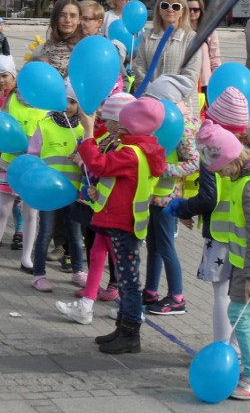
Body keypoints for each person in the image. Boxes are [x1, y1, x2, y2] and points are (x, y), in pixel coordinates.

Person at [76, 97, 166, 354]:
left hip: (123, 222)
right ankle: (122, 327)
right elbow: (116, 181)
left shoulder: (131, 153)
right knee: (128, 278)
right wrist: (99, 192)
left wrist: (89, 132)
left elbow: (98, 164)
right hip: (123, 220)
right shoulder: (140, 149)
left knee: (128, 281)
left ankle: (130, 334)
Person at [165, 86, 250, 347]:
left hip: (220, 232)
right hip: (239, 237)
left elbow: (208, 197)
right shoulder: (244, 148)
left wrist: (182, 208)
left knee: (222, 295)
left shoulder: (214, 147)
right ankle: (234, 349)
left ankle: (222, 348)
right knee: (237, 298)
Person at [55, 93, 136, 325]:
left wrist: (89, 132)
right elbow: (98, 168)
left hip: (118, 213)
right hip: (105, 207)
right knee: (99, 252)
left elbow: (100, 166)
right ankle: (87, 305)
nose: (103, 120)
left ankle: (131, 310)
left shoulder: (123, 146)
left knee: (124, 263)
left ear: (119, 122)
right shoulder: (112, 140)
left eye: (108, 119)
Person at [192, 120, 250, 400]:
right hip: (242, 262)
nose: (223, 177)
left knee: (240, 318)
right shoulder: (240, 178)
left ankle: (249, 377)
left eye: (224, 170)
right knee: (240, 315)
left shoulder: (248, 187)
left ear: (233, 159)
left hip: (247, 266)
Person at [0, 55, 44, 272]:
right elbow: (2, 124)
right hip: (11, 161)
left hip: (34, 164)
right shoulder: (12, 98)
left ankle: (26, 257)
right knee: (3, 209)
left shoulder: (46, 103)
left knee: (31, 212)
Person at [141, 75, 199, 316]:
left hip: (168, 197)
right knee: (153, 245)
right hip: (152, 193)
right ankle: (150, 290)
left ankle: (177, 296)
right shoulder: (159, 123)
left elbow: (194, 162)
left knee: (166, 246)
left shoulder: (182, 127)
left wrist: (163, 168)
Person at [29, 81, 86, 293]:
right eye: (65, 101)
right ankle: (39, 274)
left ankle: (78, 271)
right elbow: (33, 156)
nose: (68, 105)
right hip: (48, 192)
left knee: (75, 232)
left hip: (73, 191)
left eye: (73, 102)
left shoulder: (82, 128)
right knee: (46, 232)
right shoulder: (45, 125)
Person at [132, 0, 201, 112]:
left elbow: (191, 75)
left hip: (181, 107)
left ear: (182, 11)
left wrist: (168, 98)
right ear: (159, 9)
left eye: (175, 6)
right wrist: (152, 96)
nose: (170, 9)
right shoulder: (147, 37)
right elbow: (139, 69)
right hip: (150, 106)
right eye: (165, 5)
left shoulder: (191, 38)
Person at [31, 0, 83, 78]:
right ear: (55, 18)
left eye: (73, 16)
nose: (68, 20)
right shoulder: (40, 50)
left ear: (79, 19)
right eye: (62, 15)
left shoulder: (85, 49)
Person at [188, 0, 221, 99]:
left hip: (205, 82)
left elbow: (215, 57)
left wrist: (217, 79)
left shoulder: (209, 31)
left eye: (195, 9)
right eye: (189, 9)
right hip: (186, 81)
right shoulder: (180, 30)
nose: (192, 12)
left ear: (201, 11)